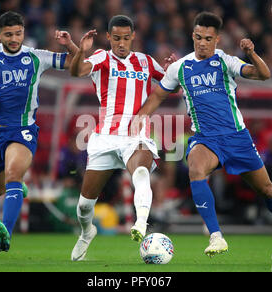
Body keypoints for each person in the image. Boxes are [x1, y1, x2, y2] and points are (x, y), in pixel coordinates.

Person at [132, 12, 272, 259]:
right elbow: (158, 96)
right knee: (195, 168)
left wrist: (252, 54)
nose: (203, 42)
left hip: (237, 138)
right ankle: (216, 236)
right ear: (193, 36)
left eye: (208, 38)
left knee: (266, 190)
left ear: (217, 40)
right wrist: (138, 118)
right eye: (199, 37)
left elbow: (264, 74)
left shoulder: (226, 62)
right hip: (206, 139)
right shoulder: (180, 67)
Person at [68, 15, 175, 261]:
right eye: (116, 38)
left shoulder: (146, 62)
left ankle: (140, 222)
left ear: (133, 37)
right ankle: (87, 233)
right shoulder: (102, 57)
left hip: (135, 135)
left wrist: (174, 68)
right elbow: (77, 72)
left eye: (126, 38)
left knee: (141, 173)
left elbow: (171, 84)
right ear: (109, 37)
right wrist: (80, 51)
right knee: (84, 206)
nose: (122, 43)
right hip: (105, 137)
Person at [0, 11, 78, 252]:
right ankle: (16, 189)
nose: (14, 39)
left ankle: (6, 232)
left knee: (13, 174)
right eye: (8, 35)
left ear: (23, 33)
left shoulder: (36, 57)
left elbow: (75, 63)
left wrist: (70, 45)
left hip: (22, 131)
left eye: (18, 33)